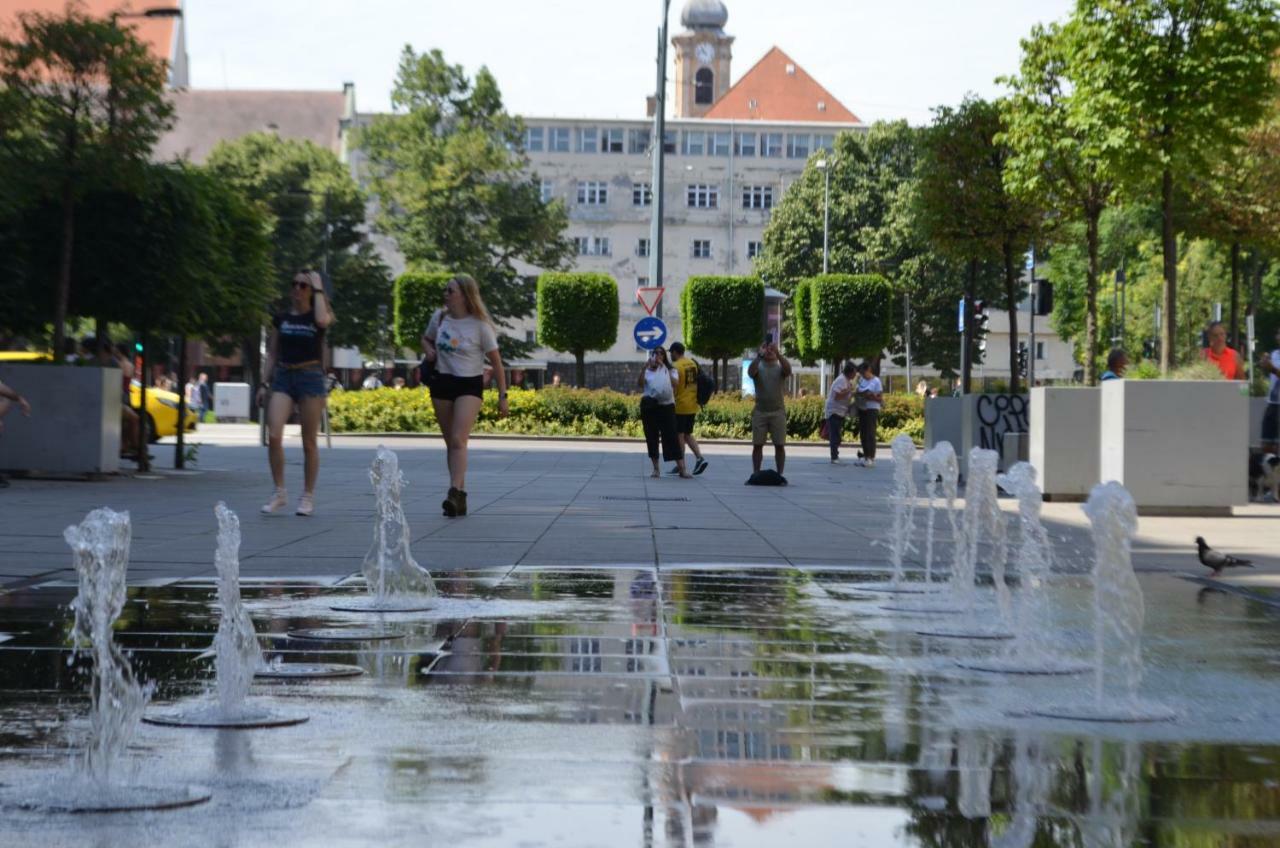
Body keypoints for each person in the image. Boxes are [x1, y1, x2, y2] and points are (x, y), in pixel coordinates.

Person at [421, 273, 509, 517]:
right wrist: (428, 350)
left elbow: (497, 364)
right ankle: (459, 495)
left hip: (469, 384)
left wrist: (503, 395)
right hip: (441, 383)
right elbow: (426, 339)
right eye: (445, 290)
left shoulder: (480, 326)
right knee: (451, 443)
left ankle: (453, 491)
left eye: (451, 291)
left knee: (459, 439)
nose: (446, 295)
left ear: (464, 295)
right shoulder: (439, 318)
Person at [258, 269, 335, 517]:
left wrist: (320, 288)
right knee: (275, 434)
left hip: (310, 377)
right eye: (295, 284)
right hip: (283, 377)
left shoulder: (318, 316)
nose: (297, 289)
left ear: (312, 291)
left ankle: (307, 495)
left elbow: (323, 321)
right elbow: (272, 352)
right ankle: (279, 491)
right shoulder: (282, 318)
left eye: (303, 285)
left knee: (309, 441)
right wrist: (263, 382)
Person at [636, 346, 688, 479]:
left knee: (671, 437)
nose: (658, 356)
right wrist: (644, 368)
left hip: (666, 406)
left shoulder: (670, 370)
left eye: (661, 354)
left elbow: (675, 383)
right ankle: (656, 469)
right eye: (655, 353)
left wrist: (663, 367)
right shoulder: (647, 371)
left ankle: (682, 469)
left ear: (664, 357)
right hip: (650, 407)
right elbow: (640, 384)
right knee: (651, 437)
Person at [748, 339, 791, 477]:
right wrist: (759, 356)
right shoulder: (758, 366)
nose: (770, 350)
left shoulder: (779, 367)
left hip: (778, 412)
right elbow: (750, 372)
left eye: (772, 348)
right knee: (757, 445)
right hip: (760, 411)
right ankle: (755, 473)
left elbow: (788, 370)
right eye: (766, 348)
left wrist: (779, 354)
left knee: (779, 445)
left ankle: (780, 474)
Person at [668, 342, 707, 476]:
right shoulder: (692, 363)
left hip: (680, 405)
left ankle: (681, 465)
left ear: (674, 352)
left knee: (679, 435)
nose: (670, 355)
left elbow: (674, 387)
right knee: (687, 434)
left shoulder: (675, 366)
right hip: (692, 405)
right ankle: (699, 458)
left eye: (670, 353)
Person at [825, 361, 857, 464]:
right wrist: (849, 391)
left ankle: (835, 455)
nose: (855, 374)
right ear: (849, 372)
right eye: (854, 372)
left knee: (837, 435)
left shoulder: (847, 380)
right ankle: (834, 457)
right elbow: (837, 396)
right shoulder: (841, 380)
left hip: (840, 411)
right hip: (834, 411)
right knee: (835, 435)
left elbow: (846, 396)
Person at [854, 361, 883, 468]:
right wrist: (866, 394)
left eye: (863, 372)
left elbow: (879, 398)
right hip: (862, 408)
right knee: (863, 433)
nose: (862, 375)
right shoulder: (861, 380)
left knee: (870, 433)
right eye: (860, 373)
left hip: (872, 409)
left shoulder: (876, 381)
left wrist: (869, 396)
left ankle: (871, 457)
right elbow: (858, 392)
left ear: (868, 370)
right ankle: (866, 456)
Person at [1260, 327, 1280, 454]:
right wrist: (1264, 364)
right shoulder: (1274, 354)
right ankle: (1271, 471)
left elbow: (1274, 371)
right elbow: (1270, 373)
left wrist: (1272, 369)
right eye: (1278, 333)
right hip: (1272, 403)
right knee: (1266, 444)